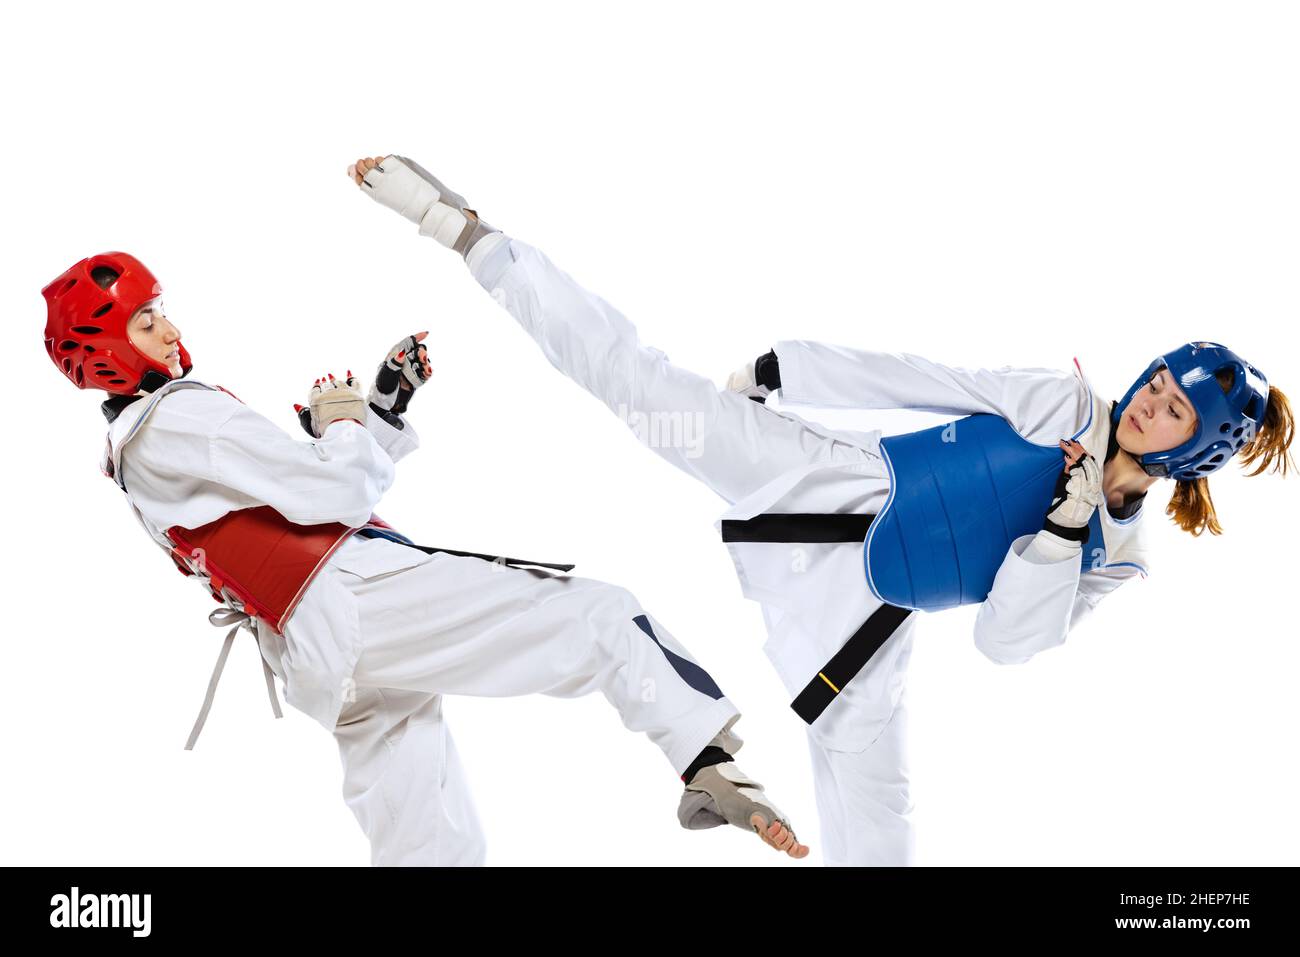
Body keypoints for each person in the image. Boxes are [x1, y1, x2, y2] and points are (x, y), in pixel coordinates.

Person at [350, 153, 1296, 866]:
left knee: (881, 821)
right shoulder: (1067, 403)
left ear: (1194, 447)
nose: (1151, 400)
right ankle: (468, 231)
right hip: (821, 477)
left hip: (867, 620)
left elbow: (1007, 645)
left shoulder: (1117, 554)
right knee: (641, 388)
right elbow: (928, 381)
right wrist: (786, 369)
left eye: (1175, 407)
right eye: (1161, 380)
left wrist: (1058, 535)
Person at [42, 249, 811, 865]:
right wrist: (341, 425)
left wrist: (374, 413)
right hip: (349, 600)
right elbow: (334, 492)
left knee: (429, 846)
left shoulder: (137, 449)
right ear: (105, 348)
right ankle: (706, 759)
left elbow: (297, 502)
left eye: (162, 310)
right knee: (598, 614)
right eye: (147, 322)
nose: (171, 330)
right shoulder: (182, 417)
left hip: (320, 653)